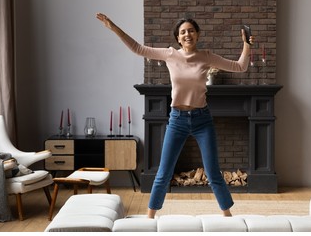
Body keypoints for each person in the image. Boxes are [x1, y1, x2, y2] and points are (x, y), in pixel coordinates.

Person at [96, 13, 254, 218]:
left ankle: (227, 217)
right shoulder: (170, 54)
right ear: (178, 38)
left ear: (197, 34)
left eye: (191, 30)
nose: (187, 34)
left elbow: (240, 67)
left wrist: (247, 44)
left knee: (213, 173)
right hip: (177, 119)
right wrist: (114, 27)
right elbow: (137, 48)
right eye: (182, 32)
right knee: (164, 172)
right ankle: (150, 217)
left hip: (202, 120)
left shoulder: (206, 56)